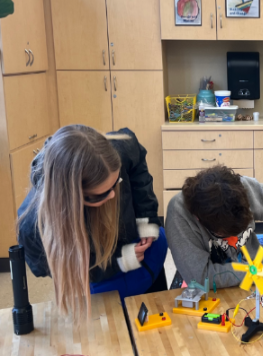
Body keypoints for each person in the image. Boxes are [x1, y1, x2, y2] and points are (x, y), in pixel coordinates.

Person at [18, 125, 167, 317]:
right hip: (103, 274)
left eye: (116, 183)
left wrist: (147, 220)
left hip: (138, 253)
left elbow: (139, 171)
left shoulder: (118, 148)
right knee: (115, 331)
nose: (113, 195)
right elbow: (67, 270)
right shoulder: (33, 229)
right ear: (71, 198)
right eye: (102, 194)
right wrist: (118, 262)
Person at [165, 165, 263, 289]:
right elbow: (200, 277)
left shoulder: (239, 189)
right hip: (216, 292)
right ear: (199, 218)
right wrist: (259, 271)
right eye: (225, 234)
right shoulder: (179, 214)